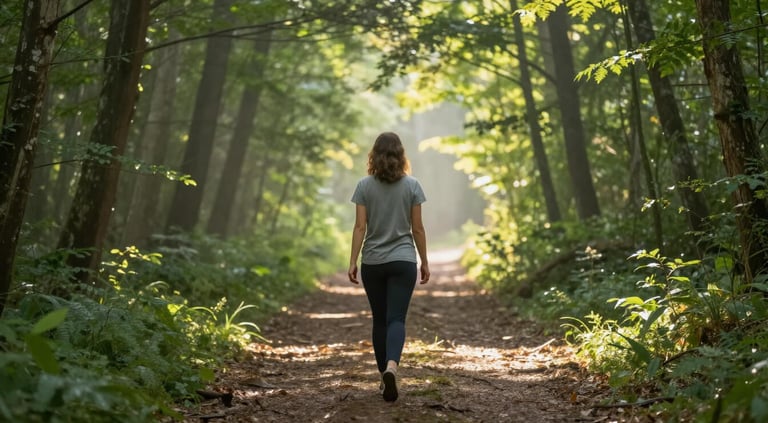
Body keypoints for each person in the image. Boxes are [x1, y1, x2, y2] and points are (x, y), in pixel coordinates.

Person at [348, 131, 430, 402]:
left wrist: (352, 261)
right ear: (400, 155)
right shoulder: (413, 185)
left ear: (374, 155)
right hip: (403, 260)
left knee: (380, 319)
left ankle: (383, 374)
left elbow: (360, 227)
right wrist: (424, 261)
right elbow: (417, 229)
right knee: (396, 318)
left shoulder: (363, 186)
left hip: (373, 261)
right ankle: (392, 367)